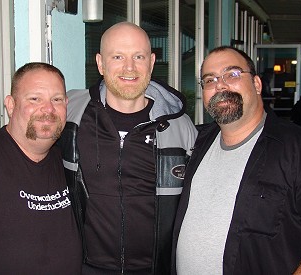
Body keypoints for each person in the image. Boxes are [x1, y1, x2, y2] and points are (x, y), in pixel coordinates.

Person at [58, 22, 197, 275]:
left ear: (152, 62)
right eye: (118, 56)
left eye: (139, 56)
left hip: (157, 269)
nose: (129, 67)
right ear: (100, 63)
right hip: (85, 268)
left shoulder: (181, 128)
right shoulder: (70, 114)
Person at [171, 46, 301, 275]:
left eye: (232, 74)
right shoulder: (195, 143)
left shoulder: (298, 148)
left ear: (256, 84)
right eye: (209, 80)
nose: (220, 85)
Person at [0, 62, 82, 274]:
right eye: (35, 99)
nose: (48, 109)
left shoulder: (69, 161)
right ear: (11, 105)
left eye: (57, 100)